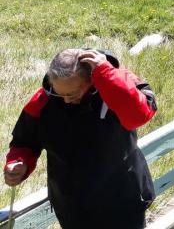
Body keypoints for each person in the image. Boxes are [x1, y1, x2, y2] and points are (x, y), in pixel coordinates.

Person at [4, 49, 157, 229]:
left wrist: (106, 73)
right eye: (60, 94)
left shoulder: (119, 81)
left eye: (73, 93)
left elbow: (138, 116)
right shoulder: (43, 100)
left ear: (91, 78)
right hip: (71, 205)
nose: (67, 101)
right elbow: (25, 141)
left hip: (122, 200)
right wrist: (19, 163)